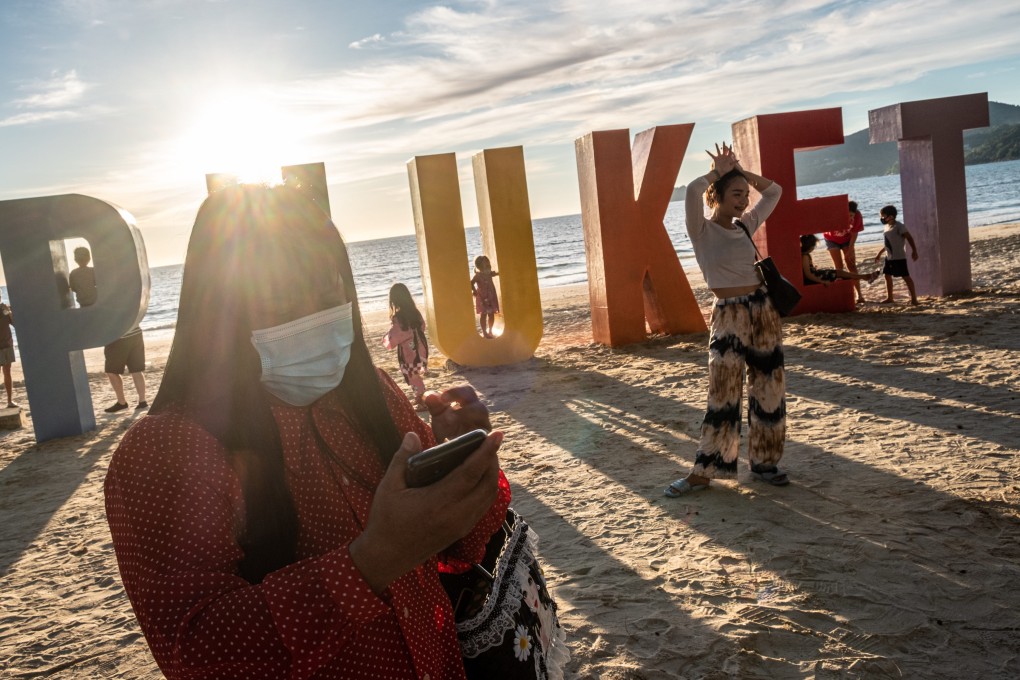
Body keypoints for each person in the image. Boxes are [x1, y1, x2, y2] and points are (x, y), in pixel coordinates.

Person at [104, 184, 512, 679]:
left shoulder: (372, 394)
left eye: (328, 289)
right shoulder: (167, 450)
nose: (314, 316)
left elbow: (458, 550)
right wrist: (372, 561)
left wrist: (464, 469)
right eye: (280, 298)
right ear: (219, 310)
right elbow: (194, 651)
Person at [664, 143, 787, 497]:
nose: (744, 201)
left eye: (745, 195)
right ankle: (705, 472)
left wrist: (743, 172)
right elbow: (690, 190)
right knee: (723, 392)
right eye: (736, 194)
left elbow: (775, 191)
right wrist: (719, 171)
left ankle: (765, 463)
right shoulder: (700, 230)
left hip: (762, 309)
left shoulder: (746, 223)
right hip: (728, 314)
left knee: (769, 387)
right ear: (715, 195)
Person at [67, 246, 148, 412]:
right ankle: (142, 401)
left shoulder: (76, 276)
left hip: (118, 335)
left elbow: (75, 289)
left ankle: (122, 402)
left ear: (76, 259)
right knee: (136, 370)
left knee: (111, 371)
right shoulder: (114, 287)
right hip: (135, 331)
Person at [383, 282, 429, 410]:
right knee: (414, 374)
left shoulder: (399, 317)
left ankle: (422, 400)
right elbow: (422, 326)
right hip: (420, 347)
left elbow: (397, 333)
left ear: (394, 300)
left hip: (409, 352)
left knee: (413, 376)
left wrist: (387, 339)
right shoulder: (415, 313)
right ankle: (419, 397)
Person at [821, 200, 868, 303]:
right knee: (838, 267)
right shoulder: (834, 214)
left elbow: (854, 233)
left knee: (851, 265)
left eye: (852, 216)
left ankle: (859, 294)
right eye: (849, 215)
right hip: (831, 239)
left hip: (847, 240)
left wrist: (850, 250)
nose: (851, 218)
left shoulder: (857, 215)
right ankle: (842, 295)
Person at [874, 205, 919, 305]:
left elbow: (909, 238)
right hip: (888, 257)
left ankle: (914, 299)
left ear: (891, 216)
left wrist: (914, 251)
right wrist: (879, 254)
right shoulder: (886, 227)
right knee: (887, 275)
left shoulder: (899, 226)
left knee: (906, 277)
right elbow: (887, 244)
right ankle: (890, 297)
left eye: (883, 216)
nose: (881, 218)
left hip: (899, 257)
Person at [801, 234, 879, 287]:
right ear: (810, 246)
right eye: (814, 246)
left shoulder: (804, 255)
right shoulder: (805, 256)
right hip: (815, 277)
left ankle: (864, 277)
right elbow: (808, 274)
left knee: (840, 273)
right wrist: (822, 282)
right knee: (839, 273)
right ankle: (864, 277)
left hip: (816, 274)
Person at [470, 255, 499, 338]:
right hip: (482, 297)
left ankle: (490, 330)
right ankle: (484, 332)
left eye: (488, 263)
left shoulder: (489, 273)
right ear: (479, 266)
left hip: (491, 297)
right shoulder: (478, 275)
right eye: (486, 264)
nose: (488, 265)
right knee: (483, 314)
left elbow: (496, 273)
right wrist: (474, 291)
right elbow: (471, 283)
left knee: (491, 314)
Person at [0, 297, 18, 408]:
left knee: (7, 373)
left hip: (7, 345)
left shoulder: (4, 308)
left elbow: (15, 324)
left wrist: (10, 312)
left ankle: (10, 401)